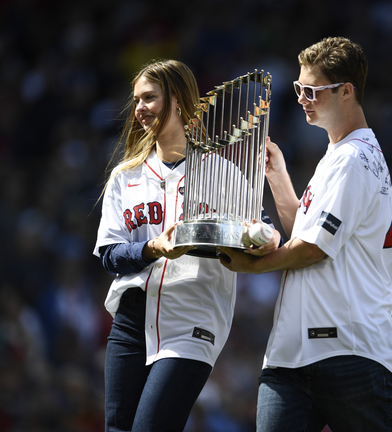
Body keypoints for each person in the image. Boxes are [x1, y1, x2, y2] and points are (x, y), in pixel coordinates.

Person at [218, 37, 392, 431]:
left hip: (350, 351)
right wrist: (278, 177)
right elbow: (305, 232)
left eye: (313, 90)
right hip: (294, 354)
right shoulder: (339, 155)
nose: (302, 98)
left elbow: (314, 248)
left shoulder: (353, 158)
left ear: (346, 91)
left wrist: (252, 266)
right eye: (299, 88)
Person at [92, 59, 280, 432]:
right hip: (130, 321)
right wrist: (153, 248)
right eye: (136, 99)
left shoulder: (220, 171)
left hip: (193, 318)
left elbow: (265, 232)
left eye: (149, 97)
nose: (139, 108)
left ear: (177, 100)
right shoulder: (125, 176)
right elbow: (111, 256)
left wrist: (263, 238)